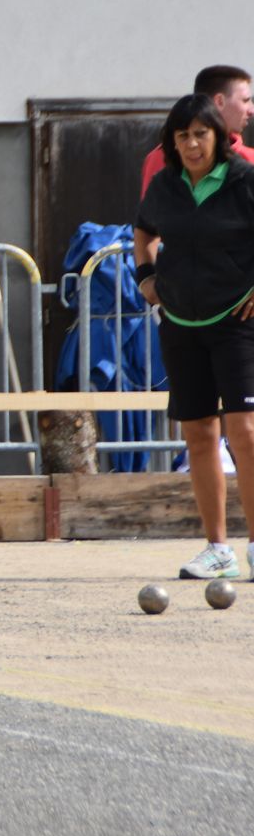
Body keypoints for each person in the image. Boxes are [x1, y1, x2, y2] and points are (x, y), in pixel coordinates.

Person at [133, 92, 254, 582]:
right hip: (182, 324)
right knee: (199, 434)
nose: (192, 144)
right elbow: (144, 232)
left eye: (200, 134)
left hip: (237, 321)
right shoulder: (165, 185)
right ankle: (217, 548)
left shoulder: (245, 180)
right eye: (182, 136)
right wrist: (146, 278)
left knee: (245, 433)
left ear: (217, 136)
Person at [140, 66, 254, 195]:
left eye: (201, 134)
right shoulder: (161, 159)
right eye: (245, 100)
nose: (251, 110)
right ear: (219, 101)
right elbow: (152, 208)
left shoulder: (249, 160)